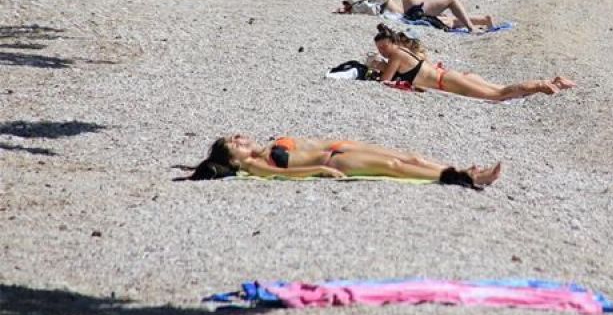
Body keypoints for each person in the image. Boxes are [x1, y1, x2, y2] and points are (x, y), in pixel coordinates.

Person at [188, 134, 502, 188]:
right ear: (234, 160)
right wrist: (320, 169)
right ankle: (467, 178)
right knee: (395, 168)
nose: (240, 139)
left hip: (340, 150)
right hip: (337, 163)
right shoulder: (252, 165)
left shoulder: (265, 149)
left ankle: (460, 170)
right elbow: (286, 175)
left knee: (411, 157)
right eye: (234, 144)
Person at [371, 24, 576, 101]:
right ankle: (555, 81)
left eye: (384, 47)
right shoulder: (405, 51)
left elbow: (385, 81)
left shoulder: (396, 54)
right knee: (502, 89)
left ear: (392, 43)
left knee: (499, 95)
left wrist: (378, 67)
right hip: (450, 76)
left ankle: (542, 85)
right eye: (379, 49)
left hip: (447, 81)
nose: (382, 51)